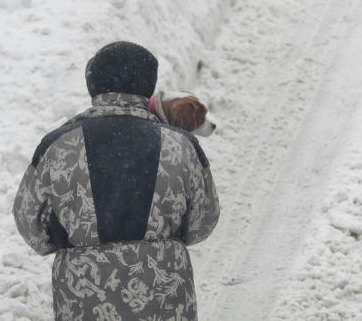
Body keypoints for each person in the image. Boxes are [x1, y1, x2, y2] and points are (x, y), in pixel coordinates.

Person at [13, 41, 220, 320]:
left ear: (93, 85)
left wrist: (70, 243)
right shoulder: (181, 145)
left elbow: (30, 221)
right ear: (147, 85)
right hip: (165, 298)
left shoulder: (57, 146)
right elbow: (204, 219)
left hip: (82, 297)